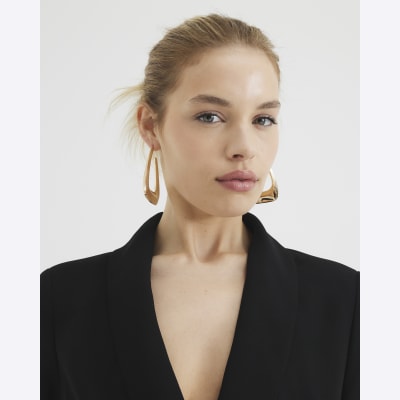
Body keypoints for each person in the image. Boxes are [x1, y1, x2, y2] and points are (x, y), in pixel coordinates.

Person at [40, 14, 359, 400]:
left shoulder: (345, 301)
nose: (244, 147)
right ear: (150, 126)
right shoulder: (59, 300)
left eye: (263, 119)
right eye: (210, 117)